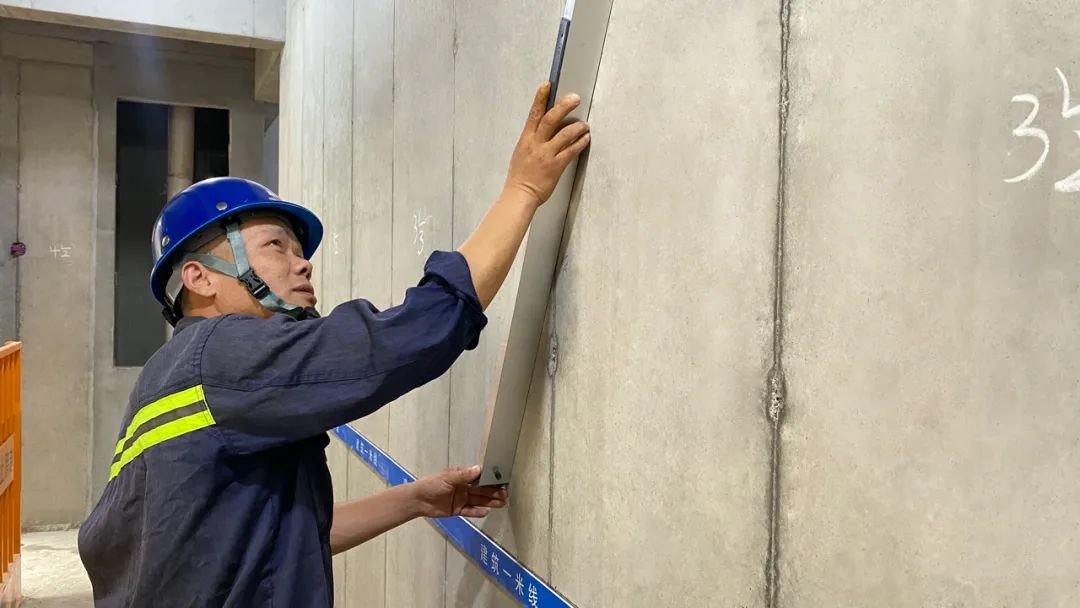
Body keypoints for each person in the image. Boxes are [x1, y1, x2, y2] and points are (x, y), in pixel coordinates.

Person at [77, 82, 591, 607]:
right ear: (200, 277)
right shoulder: (225, 356)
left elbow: (279, 544)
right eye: (275, 245)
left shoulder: (170, 376)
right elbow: (414, 333)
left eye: (298, 249)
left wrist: (416, 499)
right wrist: (522, 190)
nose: (302, 263)